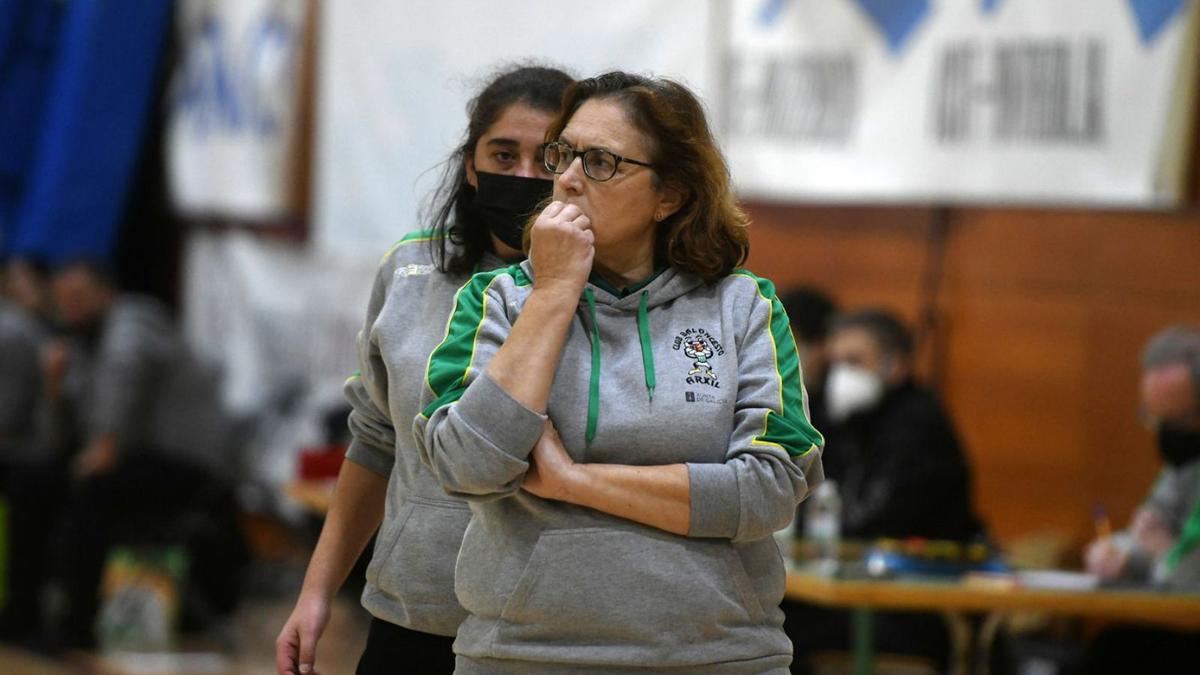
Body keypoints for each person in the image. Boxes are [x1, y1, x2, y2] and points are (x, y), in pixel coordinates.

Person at [415, 71, 825, 673]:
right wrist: (554, 290)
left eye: (602, 162)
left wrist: (572, 482)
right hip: (524, 656)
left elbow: (768, 491)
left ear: (671, 195)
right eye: (565, 154)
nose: (567, 179)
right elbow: (467, 466)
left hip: (721, 656)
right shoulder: (495, 299)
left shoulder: (745, 307)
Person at [275, 64, 573, 675]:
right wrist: (314, 593)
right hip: (414, 615)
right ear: (470, 165)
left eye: (548, 158)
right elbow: (376, 441)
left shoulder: (609, 291)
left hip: (551, 632)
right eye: (503, 153)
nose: (524, 174)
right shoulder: (410, 271)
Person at [36, 259, 243, 649]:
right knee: (39, 477)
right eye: (62, 300)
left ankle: (75, 626)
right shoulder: (79, 344)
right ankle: (25, 614)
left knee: (93, 490)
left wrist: (104, 445)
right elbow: (58, 438)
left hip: (191, 465)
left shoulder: (133, 321)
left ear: (107, 293)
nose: (70, 308)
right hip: (145, 461)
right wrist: (54, 389)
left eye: (79, 297)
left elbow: (123, 378)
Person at [790, 308, 982, 672]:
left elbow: (872, 518)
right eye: (835, 362)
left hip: (917, 605)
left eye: (854, 361)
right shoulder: (848, 418)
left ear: (895, 366)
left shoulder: (917, 424)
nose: (840, 374)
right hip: (860, 592)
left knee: (781, 631)